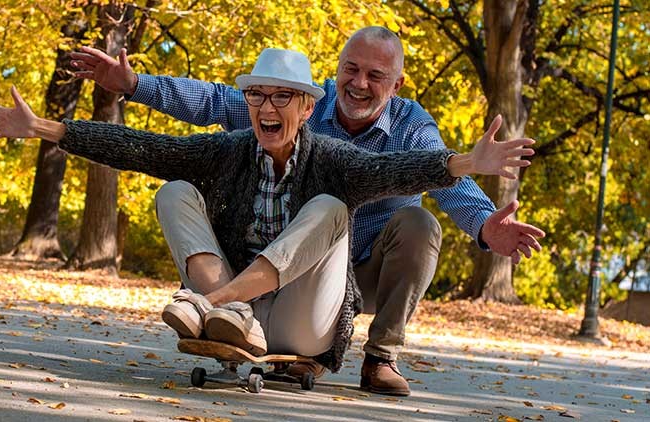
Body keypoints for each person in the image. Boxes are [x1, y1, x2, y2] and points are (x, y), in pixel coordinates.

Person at [69, 26, 545, 395]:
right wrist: (132, 83)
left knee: (418, 223)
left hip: (366, 269)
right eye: (350, 69)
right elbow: (216, 101)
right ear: (335, 69)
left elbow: (447, 183)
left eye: (375, 76)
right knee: (205, 192)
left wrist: (485, 226)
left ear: (396, 84)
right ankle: (270, 328)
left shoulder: (411, 127)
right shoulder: (297, 102)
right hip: (291, 269)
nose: (358, 84)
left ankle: (381, 356)